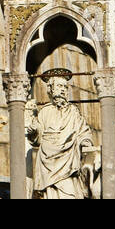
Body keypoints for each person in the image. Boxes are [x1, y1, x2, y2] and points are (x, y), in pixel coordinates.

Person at [27, 69, 99, 199]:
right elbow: (38, 137)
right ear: (51, 88)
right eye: (60, 86)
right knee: (50, 194)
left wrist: (85, 142)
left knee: (69, 192)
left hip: (68, 162)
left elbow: (83, 131)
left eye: (65, 87)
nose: (63, 90)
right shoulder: (44, 112)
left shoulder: (73, 112)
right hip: (47, 162)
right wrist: (34, 132)